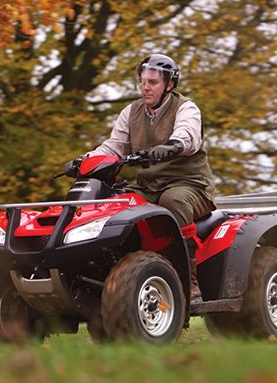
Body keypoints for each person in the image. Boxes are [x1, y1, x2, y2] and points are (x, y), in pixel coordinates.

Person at [64, 54, 215, 302]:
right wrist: (83, 160)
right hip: (147, 186)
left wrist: (173, 145)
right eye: (143, 82)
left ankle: (190, 283)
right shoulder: (131, 112)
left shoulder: (186, 108)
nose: (146, 87)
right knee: (114, 206)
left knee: (173, 202)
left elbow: (188, 136)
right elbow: (114, 146)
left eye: (153, 82)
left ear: (169, 85)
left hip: (190, 185)